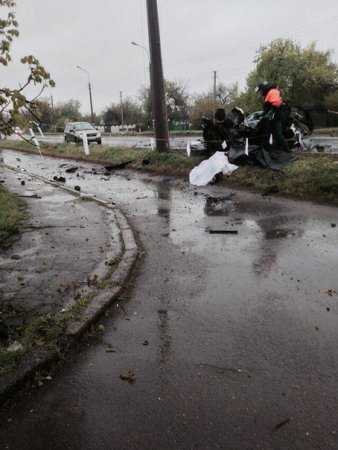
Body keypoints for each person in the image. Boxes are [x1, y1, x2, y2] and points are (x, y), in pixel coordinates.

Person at [255, 80, 289, 152]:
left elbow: (276, 104)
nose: (260, 92)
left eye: (260, 90)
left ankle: (286, 149)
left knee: (278, 134)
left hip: (277, 116)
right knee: (266, 133)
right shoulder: (267, 94)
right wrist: (260, 114)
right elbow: (267, 109)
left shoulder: (273, 91)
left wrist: (269, 113)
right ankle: (264, 149)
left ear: (263, 88)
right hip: (271, 118)